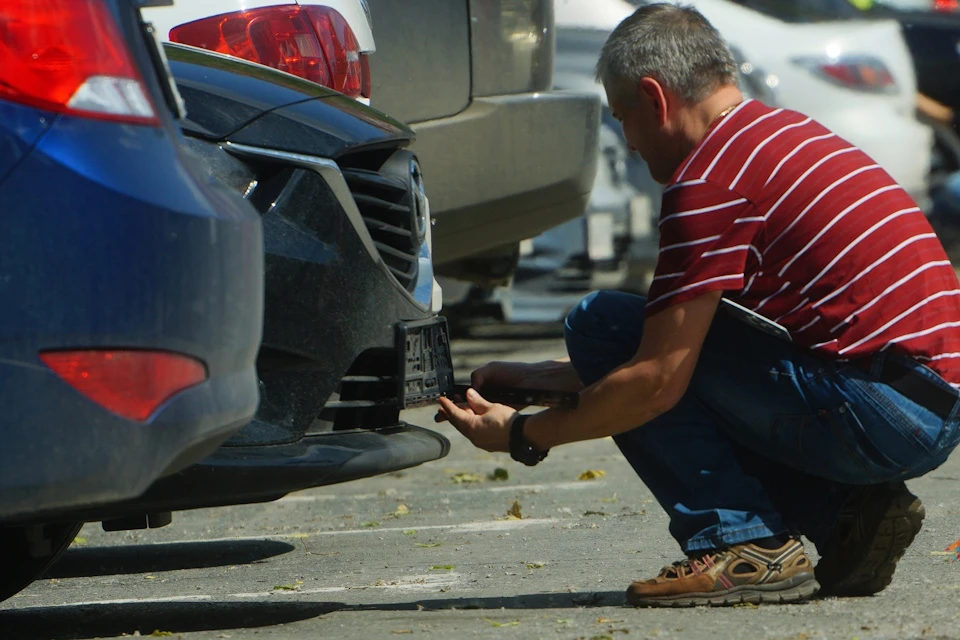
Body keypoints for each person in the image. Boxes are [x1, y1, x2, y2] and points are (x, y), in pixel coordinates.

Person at [436, 3, 960, 608]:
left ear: (654, 99)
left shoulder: (709, 180)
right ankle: (846, 514)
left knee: (600, 322)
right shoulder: (780, 133)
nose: (629, 142)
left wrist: (522, 435)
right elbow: (700, 355)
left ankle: (743, 543)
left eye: (623, 117)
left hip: (881, 412)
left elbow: (657, 382)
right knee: (625, 343)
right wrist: (537, 380)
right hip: (925, 399)